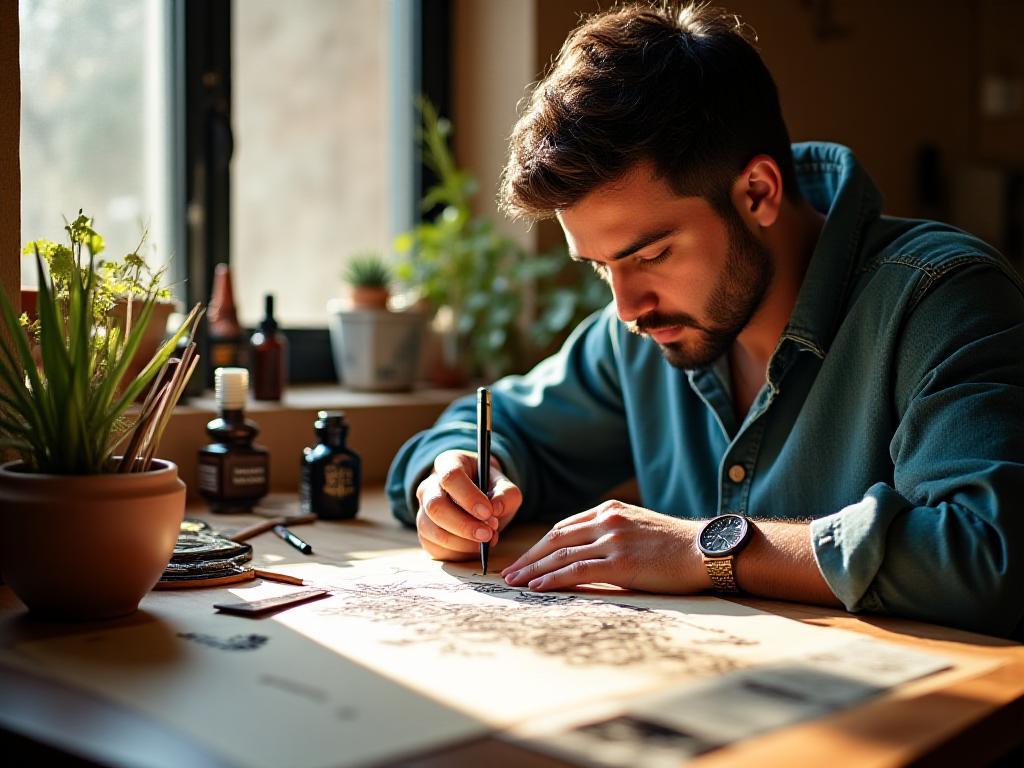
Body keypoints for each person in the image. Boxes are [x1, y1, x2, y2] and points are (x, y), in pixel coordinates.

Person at [386, 2, 1024, 639]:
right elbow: (496, 429)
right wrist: (455, 478)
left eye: (651, 254)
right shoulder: (639, 333)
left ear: (758, 193)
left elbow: (993, 553)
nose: (628, 307)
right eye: (599, 267)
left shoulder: (944, 298)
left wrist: (705, 550)